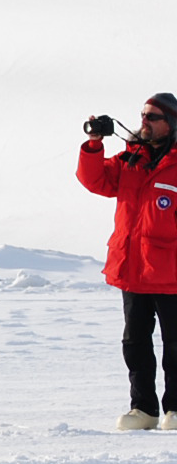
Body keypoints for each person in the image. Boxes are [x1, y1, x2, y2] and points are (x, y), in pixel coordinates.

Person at [77, 93, 177, 430]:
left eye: (153, 117)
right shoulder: (131, 157)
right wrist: (94, 142)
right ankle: (143, 410)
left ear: (171, 123)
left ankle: (175, 409)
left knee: (175, 344)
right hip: (133, 269)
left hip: (171, 272)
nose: (144, 122)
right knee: (135, 344)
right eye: (143, 115)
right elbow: (96, 181)